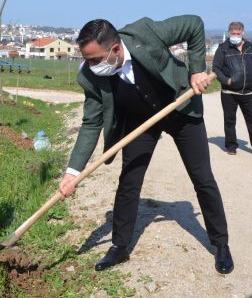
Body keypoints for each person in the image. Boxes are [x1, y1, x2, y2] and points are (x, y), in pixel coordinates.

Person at [58, 16, 234, 275]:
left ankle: (221, 244)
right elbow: (91, 123)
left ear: (116, 49)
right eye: (87, 60)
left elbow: (194, 25)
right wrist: (72, 173)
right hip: (141, 120)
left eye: (95, 60)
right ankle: (120, 245)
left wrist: (196, 69)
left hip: (181, 108)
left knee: (202, 177)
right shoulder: (89, 76)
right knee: (129, 180)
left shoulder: (145, 33)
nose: (91, 66)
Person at [212, 21, 252, 157]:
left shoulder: (249, 46)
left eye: (238, 33)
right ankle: (231, 145)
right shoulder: (223, 48)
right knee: (230, 120)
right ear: (229, 33)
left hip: (248, 91)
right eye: (233, 33)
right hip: (229, 92)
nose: (236, 35)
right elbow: (216, 69)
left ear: (242, 32)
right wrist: (227, 80)